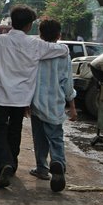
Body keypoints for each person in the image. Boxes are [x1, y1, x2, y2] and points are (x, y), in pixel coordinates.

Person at [0, 4, 69, 189]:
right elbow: (63, 50)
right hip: (21, 100)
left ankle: (5, 164)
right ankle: (12, 165)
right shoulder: (35, 44)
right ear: (28, 25)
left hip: (1, 97)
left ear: (13, 22)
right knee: (15, 131)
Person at [28, 18, 78, 192]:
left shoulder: (35, 50)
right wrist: (72, 106)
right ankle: (58, 163)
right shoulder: (64, 53)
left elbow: (29, 77)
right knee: (56, 138)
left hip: (36, 101)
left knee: (39, 138)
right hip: (55, 103)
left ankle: (42, 168)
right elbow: (67, 81)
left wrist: (26, 102)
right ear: (59, 35)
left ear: (40, 34)